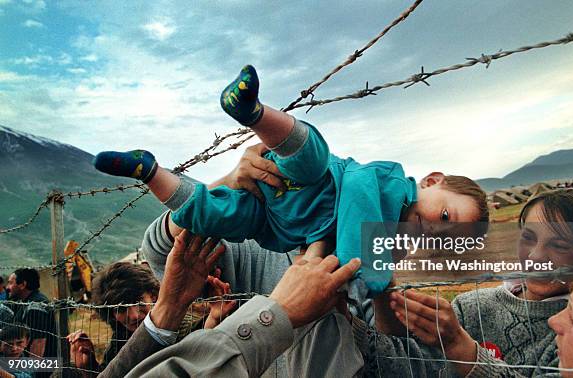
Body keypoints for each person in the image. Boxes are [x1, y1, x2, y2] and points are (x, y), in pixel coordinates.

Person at [92, 65, 489, 297]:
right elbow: (356, 196)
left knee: (218, 216)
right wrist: (232, 178)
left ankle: (149, 171)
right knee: (310, 158)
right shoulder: (388, 183)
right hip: (311, 184)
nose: (435, 228)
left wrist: (374, 284)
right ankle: (253, 112)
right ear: (433, 181)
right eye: (446, 214)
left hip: (273, 223)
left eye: (440, 238)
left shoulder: (381, 277)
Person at [355, 189, 573, 377]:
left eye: (559, 245)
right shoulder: (472, 306)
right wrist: (377, 287)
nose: (534, 256)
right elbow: (412, 367)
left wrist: (460, 346)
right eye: (529, 238)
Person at [96, 230, 362, 377]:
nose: (132, 314)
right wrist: (275, 313)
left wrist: (177, 308)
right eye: (120, 310)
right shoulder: (115, 346)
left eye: (134, 302)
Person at [67, 260, 235, 376]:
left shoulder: (184, 324)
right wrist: (89, 367)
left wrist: (213, 319)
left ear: (154, 296)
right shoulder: (120, 338)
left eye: (139, 302)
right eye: (121, 309)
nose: (133, 315)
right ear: (111, 313)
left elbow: (200, 355)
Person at [6, 269, 56, 360]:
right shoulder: (25, 302)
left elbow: (38, 342)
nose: (7, 287)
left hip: (44, 366)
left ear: (23, 285)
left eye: (10, 283)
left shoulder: (36, 306)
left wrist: (31, 371)